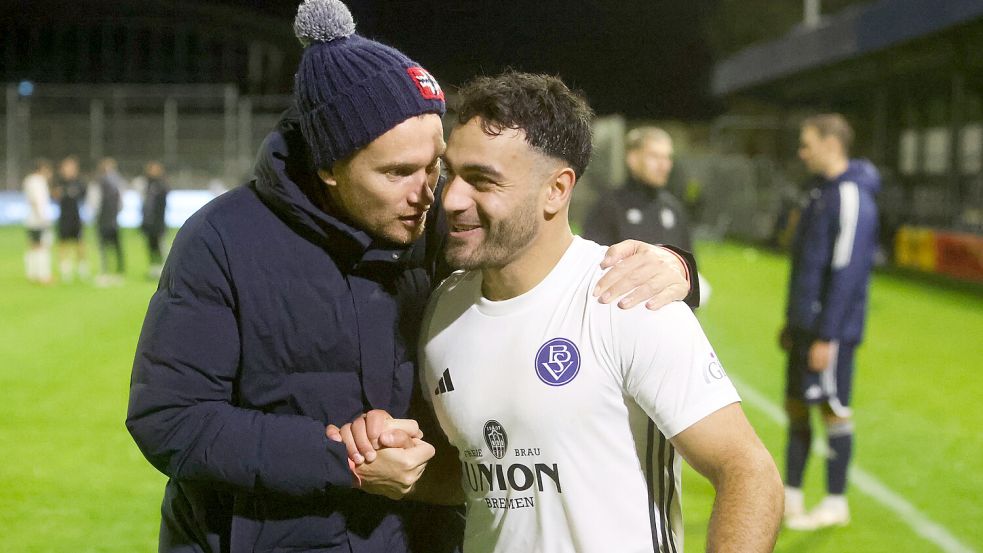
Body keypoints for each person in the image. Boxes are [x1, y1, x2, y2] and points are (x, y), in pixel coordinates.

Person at [125, 2, 699, 552]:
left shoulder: (435, 228)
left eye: (436, 165)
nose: (432, 193)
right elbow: (169, 419)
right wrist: (339, 457)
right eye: (399, 172)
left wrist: (674, 267)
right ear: (328, 166)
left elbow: (542, 259)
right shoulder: (222, 241)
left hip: (416, 538)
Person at [332, 71, 783, 553]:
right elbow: (484, 478)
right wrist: (398, 464)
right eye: (451, 173)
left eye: (482, 181)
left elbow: (749, 472)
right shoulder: (443, 311)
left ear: (556, 189)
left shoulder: (627, 301)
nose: (452, 199)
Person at [780, 114, 880, 530]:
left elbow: (847, 270)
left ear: (831, 143)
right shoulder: (819, 191)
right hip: (805, 325)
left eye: (807, 144)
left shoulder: (852, 195)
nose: (802, 152)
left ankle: (836, 501)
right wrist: (792, 321)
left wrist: (828, 335)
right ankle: (792, 496)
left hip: (829, 331)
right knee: (797, 405)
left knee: (832, 408)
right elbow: (805, 264)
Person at [583, 126, 693, 253]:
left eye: (667, 157)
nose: (663, 165)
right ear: (633, 159)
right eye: (654, 156)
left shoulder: (674, 209)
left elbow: (689, 265)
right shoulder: (609, 207)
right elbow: (594, 262)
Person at [52, 155, 89, 282]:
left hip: (76, 217)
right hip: (63, 217)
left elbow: (85, 196)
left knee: (80, 244)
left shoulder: (79, 182)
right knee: (63, 244)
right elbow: (54, 196)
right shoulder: (58, 182)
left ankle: (82, 269)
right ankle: (65, 271)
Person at [22, 158, 54, 285]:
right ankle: (43, 275)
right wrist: (42, 218)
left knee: (33, 247)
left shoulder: (28, 180)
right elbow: (37, 201)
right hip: (39, 219)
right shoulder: (39, 182)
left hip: (30, 219)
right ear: (43, 169)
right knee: (42, 247)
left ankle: (31, 273)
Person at [95, 157, 126, 286]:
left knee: (107, 246)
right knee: (113, 246)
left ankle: (110, 271)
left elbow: (95, 202)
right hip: (111, 219)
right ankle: (116, 271)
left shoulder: (101, 182)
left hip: (106, 219)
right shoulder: (117, 181)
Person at [140, 160, 169, 279]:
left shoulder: (162, 185)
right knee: (150, 245)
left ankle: (163, 269)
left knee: (160, 245)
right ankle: (153, 268)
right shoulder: (146, 184)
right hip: (148, 221)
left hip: (158, 222)